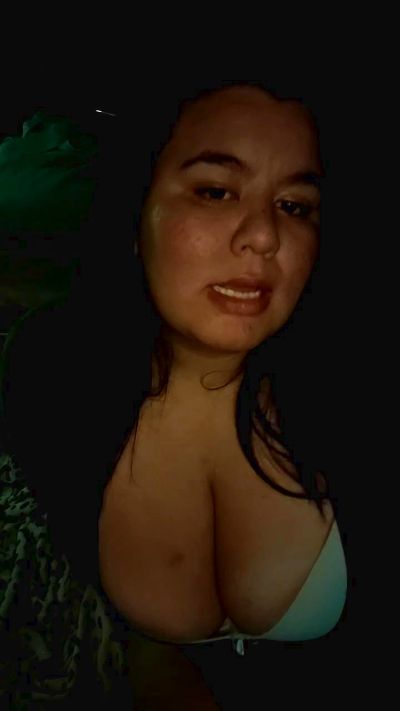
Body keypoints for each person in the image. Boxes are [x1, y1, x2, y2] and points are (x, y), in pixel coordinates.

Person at [1, 81, 349, 708]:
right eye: (215, 191)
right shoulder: (51, 374)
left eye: (294, 205)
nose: (264, 236)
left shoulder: (352, 390)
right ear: (136, 212)